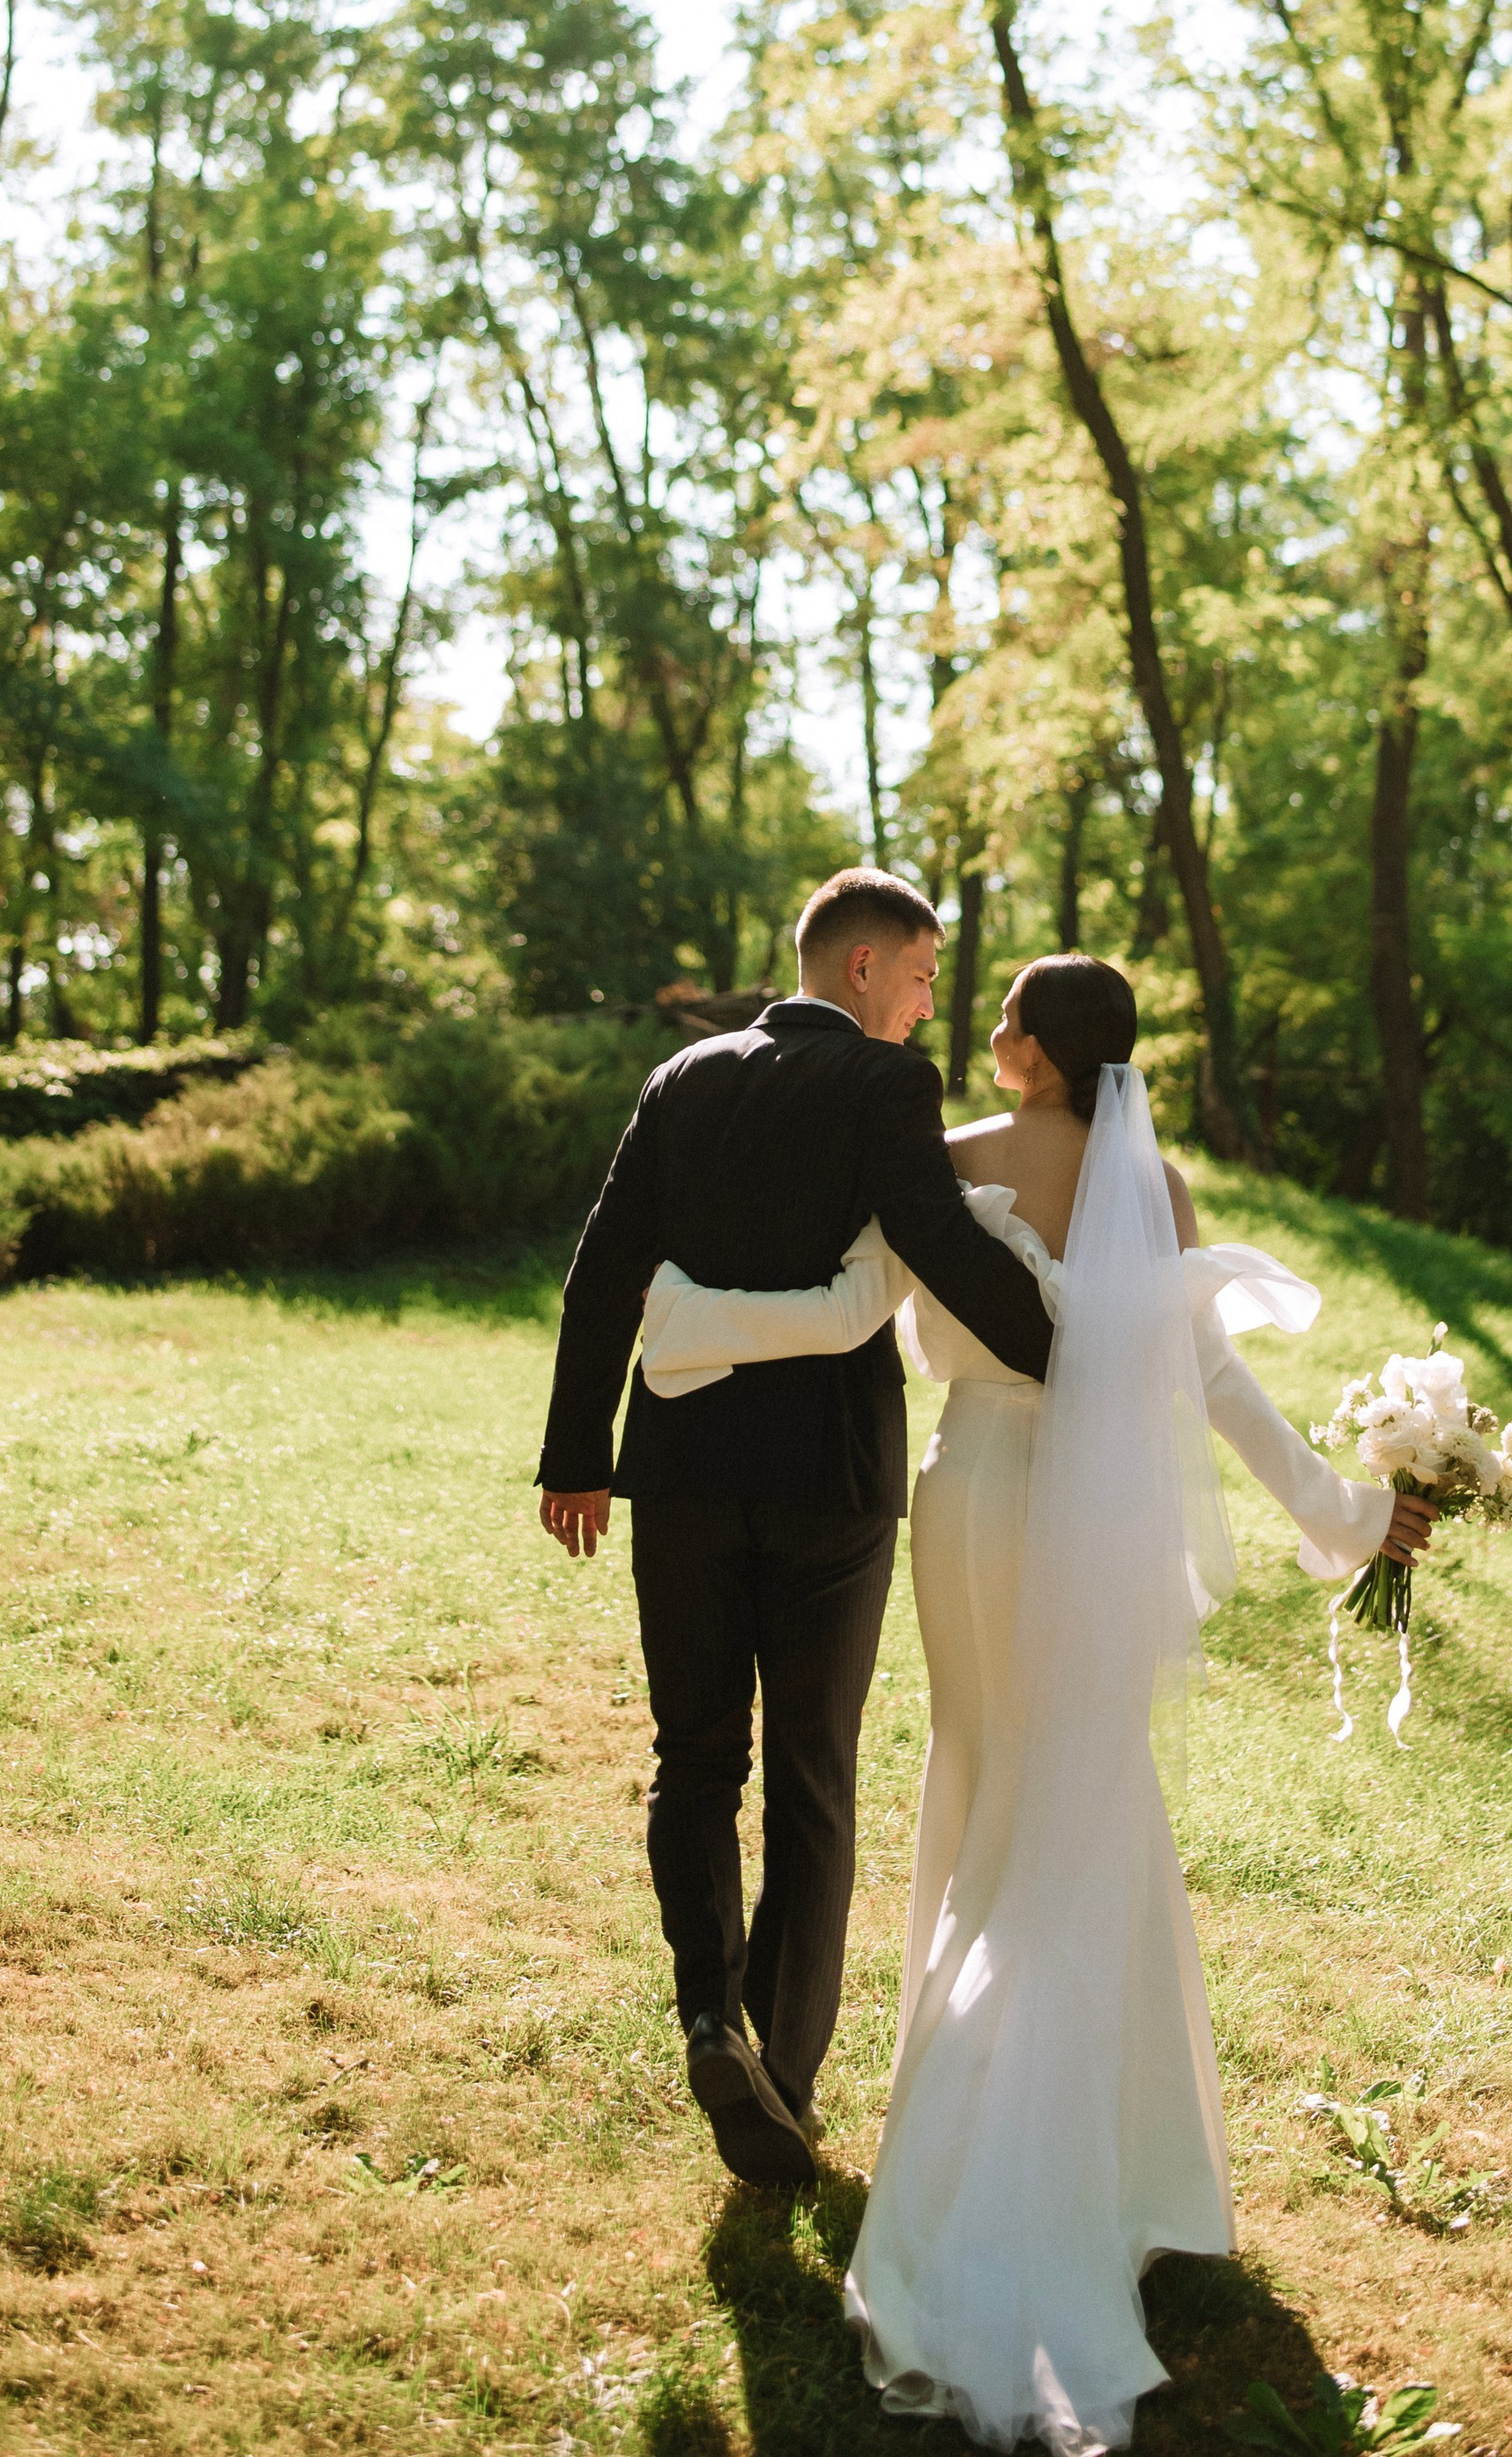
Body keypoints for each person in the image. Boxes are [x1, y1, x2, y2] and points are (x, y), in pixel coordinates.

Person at [632, 952, 1434, 2453]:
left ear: (1046, 1052)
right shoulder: (1155, 1187)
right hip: (1093, 1517)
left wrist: (685, 1317)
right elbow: (1214, 1384)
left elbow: (852, 1296)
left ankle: (985, 2142)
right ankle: (1117, 2172)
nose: (986, 1026)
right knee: (1085, 1795)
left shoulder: (944, 1154)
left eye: (1006, 1014)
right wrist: (1348, 1511)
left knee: (988, 1776)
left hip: (975, 1491)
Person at [533, 868, 1053, 2192]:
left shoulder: (682, 1077)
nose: (927, 1004)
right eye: (922, 976)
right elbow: (936, 1240)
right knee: (813, 1774)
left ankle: (713, 2020)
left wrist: (578, 1454)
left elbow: (604, 1264)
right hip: (830, 1476)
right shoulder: (886, 1084)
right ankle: (790, 2073)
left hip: (683, 1471)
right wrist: (1073, 1354)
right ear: (863, 967)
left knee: (696, 1754)